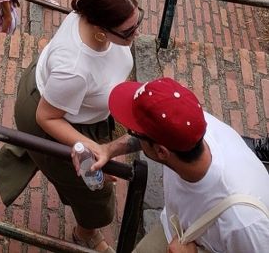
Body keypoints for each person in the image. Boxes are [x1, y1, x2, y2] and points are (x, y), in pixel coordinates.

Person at [0, 0, 144, 253]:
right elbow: (48, 118)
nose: (136, 34)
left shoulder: (86, 14)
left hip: (53, 100)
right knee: (93, 190)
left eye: (137, 22)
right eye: (128, 31)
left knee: (29, 149)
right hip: (50, 115)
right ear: (102, 30)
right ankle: (86, 232)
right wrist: (90, 146)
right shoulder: (75, 69)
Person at [89, 76, 269, 253]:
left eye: (134, 132)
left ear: (161, 152)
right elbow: (150, 134)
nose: (134, 133)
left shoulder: (244, 224)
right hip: (179, 228)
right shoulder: (189, 126)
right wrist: (108, 150)